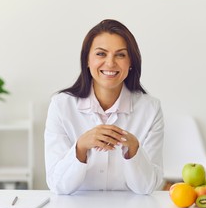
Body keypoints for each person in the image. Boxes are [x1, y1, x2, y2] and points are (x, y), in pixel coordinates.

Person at [44, 19, 164, 195]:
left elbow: (147, 188)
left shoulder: (151, 109)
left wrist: (133, 149)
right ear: (87, 60)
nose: (110, 63)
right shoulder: (61, 106)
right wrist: (81, 147)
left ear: (131, 62)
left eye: (120, 55)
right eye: (101, 54)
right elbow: (58, 186)